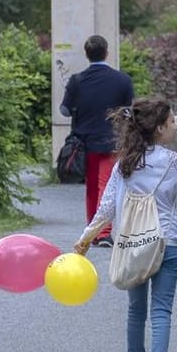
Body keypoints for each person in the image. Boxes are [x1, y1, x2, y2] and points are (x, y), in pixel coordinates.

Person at [74, 99, 177, 352]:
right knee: (161, 311)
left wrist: (86, 239)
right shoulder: (174, 161)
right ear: (159, 128)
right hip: (167, 242)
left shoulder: (124, 164)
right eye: (172, 122)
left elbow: (105, 209)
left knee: (136, 311)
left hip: (134, 244)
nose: (175, 126)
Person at [60, 34, 134, 245]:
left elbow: (64, 111)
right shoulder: (122, 80)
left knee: (92, 186)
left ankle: (93, 229)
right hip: (113, 140)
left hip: (85, 142)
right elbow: (128, 110)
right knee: (105, 185)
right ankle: (102, 232)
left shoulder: (76, 81)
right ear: (107, 52)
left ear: (86, 54)